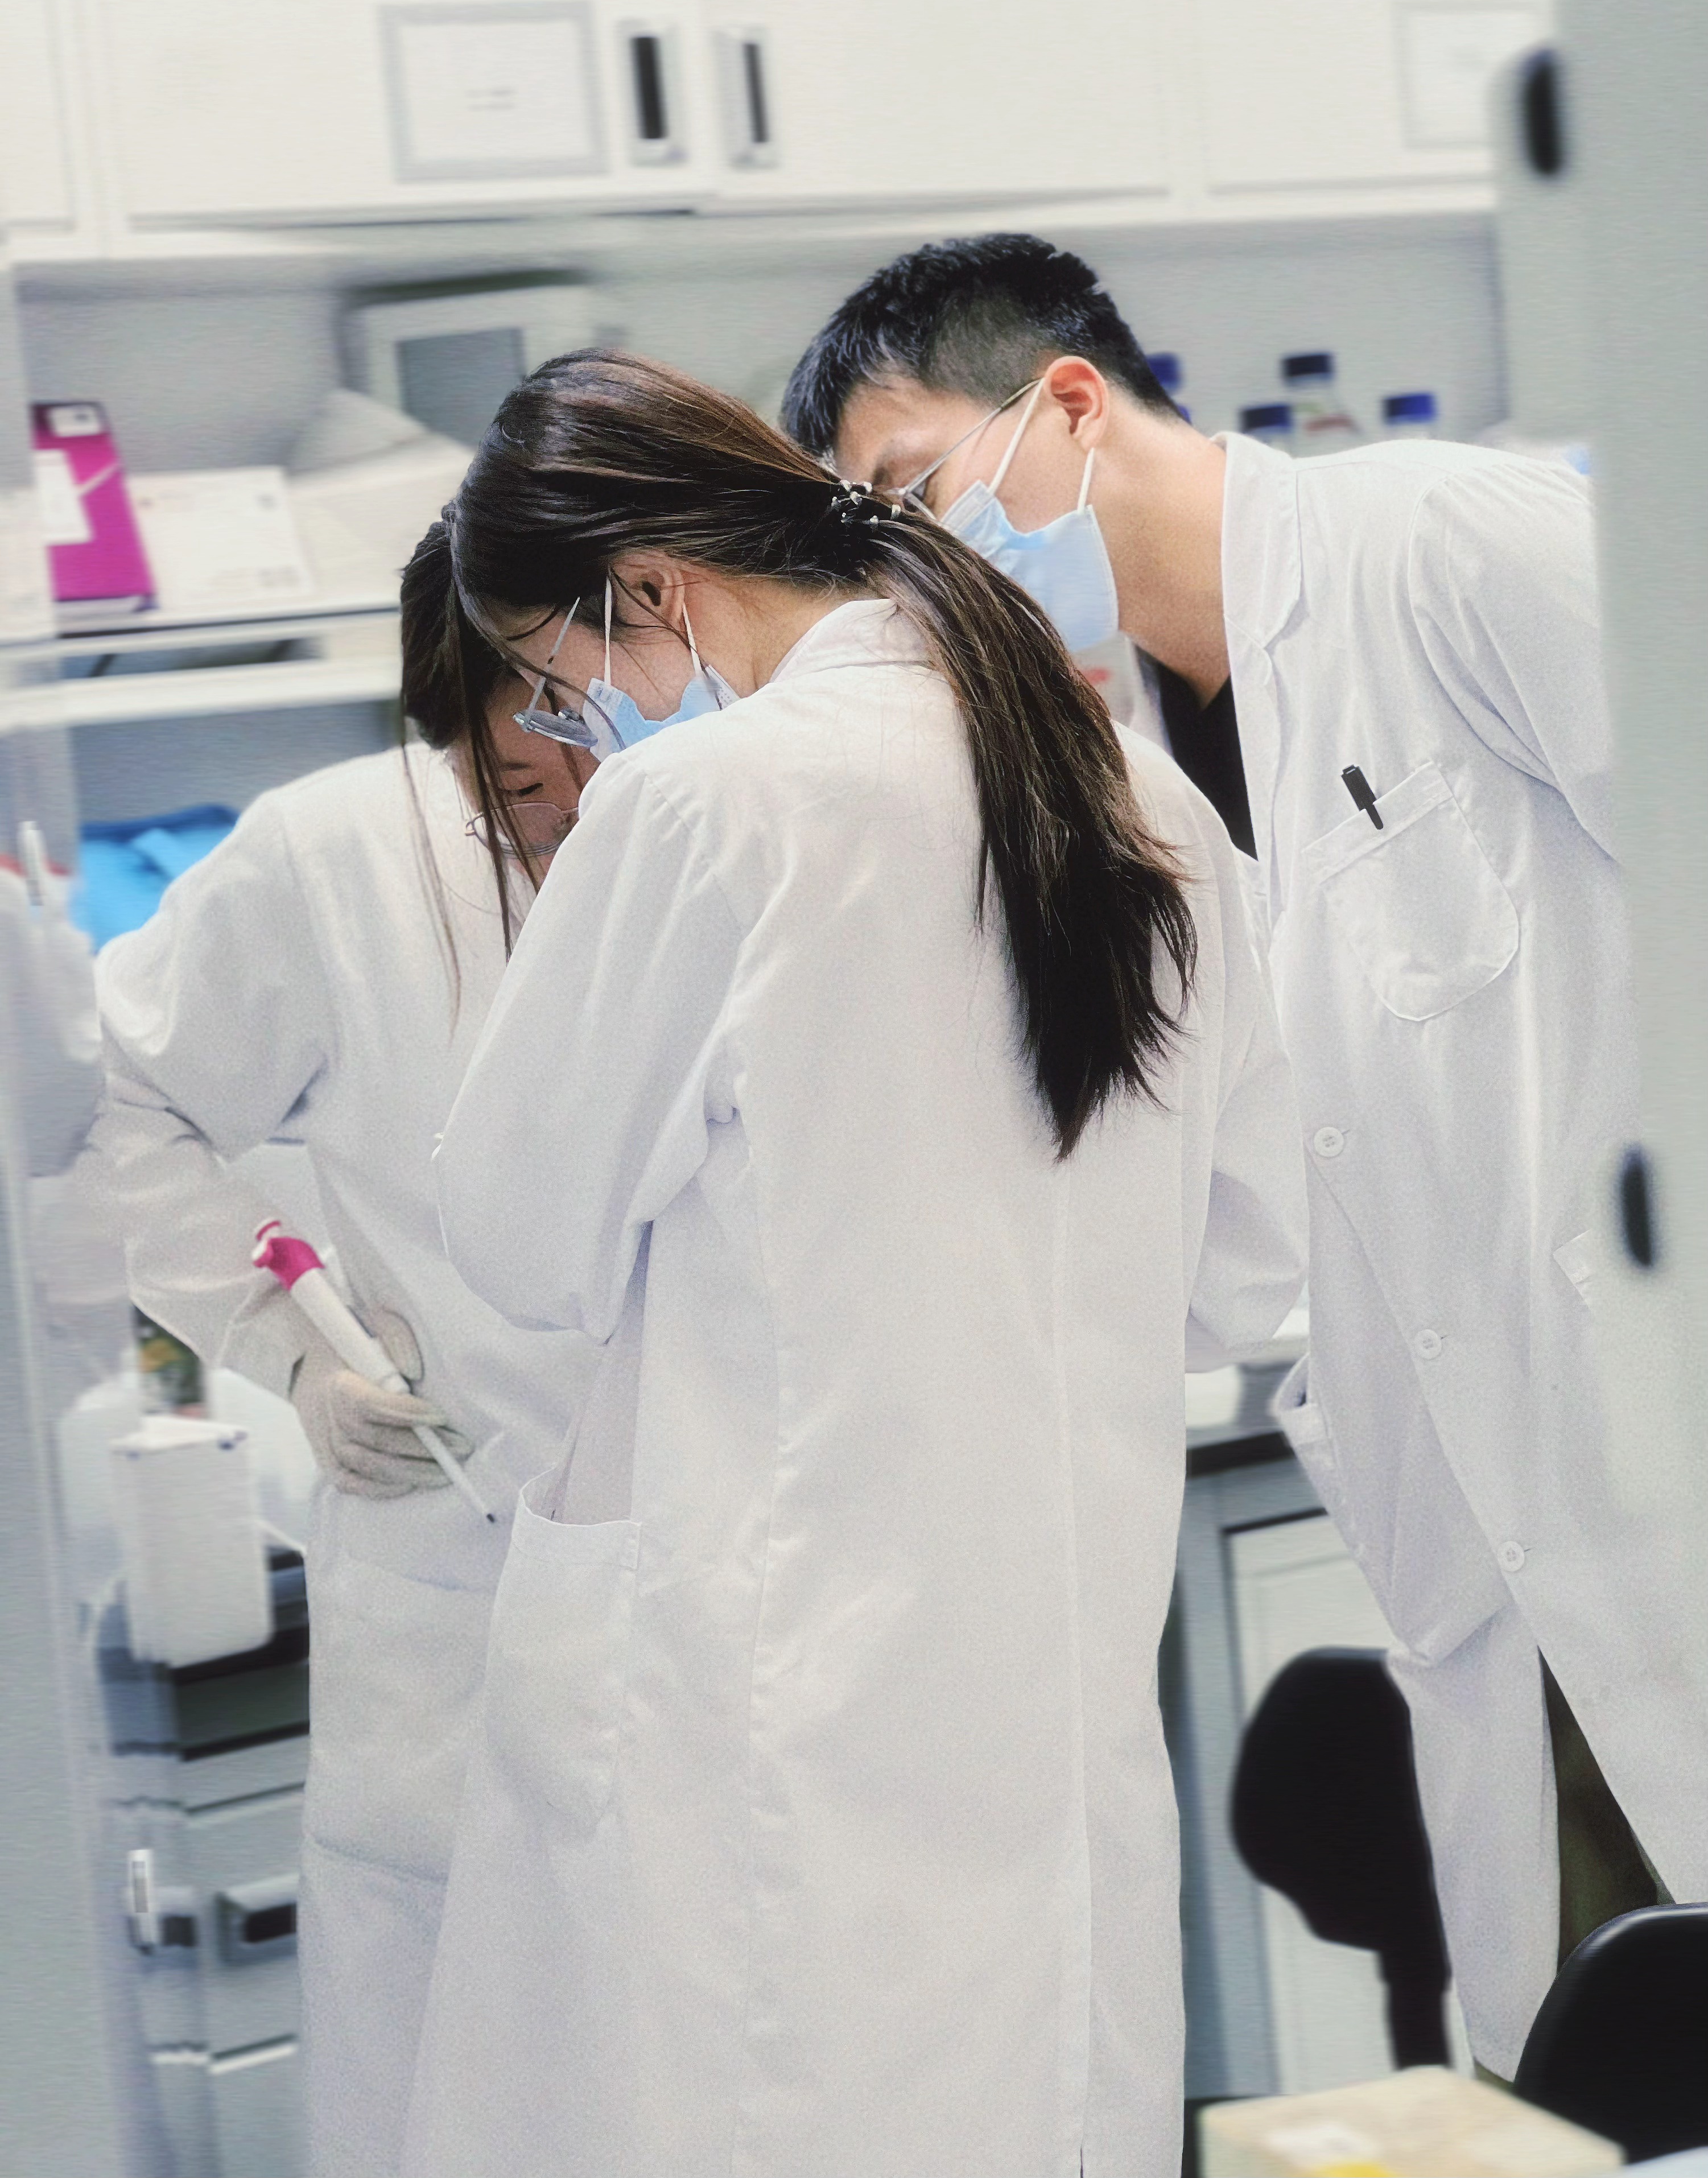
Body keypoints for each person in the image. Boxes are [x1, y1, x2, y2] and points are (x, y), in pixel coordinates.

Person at [781, 231, 1708, 2080]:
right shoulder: (1110, 762)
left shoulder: (1443, 543)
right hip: (1495, 1561)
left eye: (917, 492)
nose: (917, 561)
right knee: (1604, 2081)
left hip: (1664, 1478)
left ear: (1065, 403)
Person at [402, 348, 1304, 2178]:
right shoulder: (1138, 796)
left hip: (771, 1734)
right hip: (1046, 1717)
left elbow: (514, 1237)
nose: (581, 727)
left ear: (650, 587)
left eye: (565, 678)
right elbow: (1248, 1262)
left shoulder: (705, 806)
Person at [90, 523, 599, 2178]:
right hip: (455, 1599)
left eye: (589, 729)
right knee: (455, 2097)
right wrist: (287, 1348)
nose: (561, 796)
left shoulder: (740, 828)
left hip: (705, 1596)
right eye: (510, 770)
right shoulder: (337, 857)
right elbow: (119, 1104)